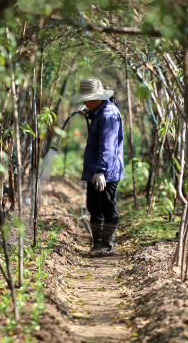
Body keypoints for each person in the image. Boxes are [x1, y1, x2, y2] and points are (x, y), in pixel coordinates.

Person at [70, 77, 124, 257]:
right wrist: (88, 113)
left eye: (87, 99)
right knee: (93, 206)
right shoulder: (101, 111)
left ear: (97, 97)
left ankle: (107, 245)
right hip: (96, 169)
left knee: (107, 205)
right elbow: (98, 117)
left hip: (105, 170)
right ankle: (97, 245)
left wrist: (101, 171)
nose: (85, 102)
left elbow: (107, 146)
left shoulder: (109, 114)